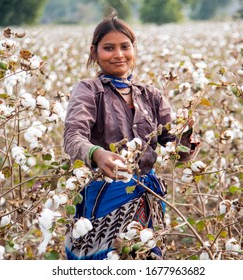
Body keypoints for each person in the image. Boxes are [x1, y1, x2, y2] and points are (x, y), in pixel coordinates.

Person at [63, 14, 198, 260]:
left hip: (146, 196)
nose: (118, 54)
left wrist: (187, 135)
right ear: (94, 52)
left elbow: (176, 150)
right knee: (106, 258)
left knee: (143, 257)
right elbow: (73, 136)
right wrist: (97, 153)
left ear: (134, 50)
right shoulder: (89, 90)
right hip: (104, 194)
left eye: (125, 47)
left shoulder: (151, 95)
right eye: (108, 48)